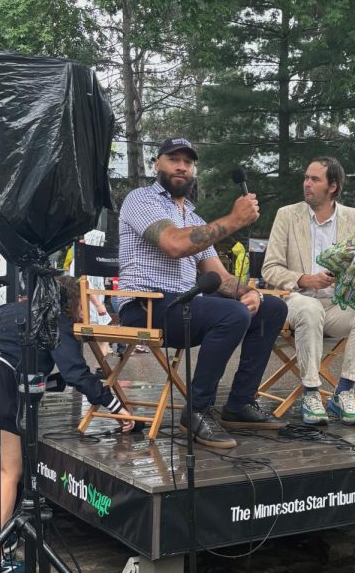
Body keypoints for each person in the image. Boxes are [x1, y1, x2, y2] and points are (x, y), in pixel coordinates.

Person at [0, 276, 133, 573]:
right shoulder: (52, 319)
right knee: (8, 472)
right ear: (70, 301)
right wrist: (116, 406)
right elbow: (74, 373)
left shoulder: (10, 308)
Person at [117, 137, 288, 451]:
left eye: (188, 161)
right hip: (145, 306)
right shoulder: (140, 200)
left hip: (183, 306)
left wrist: (249, 294)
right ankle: (195, 410)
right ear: (156, 164)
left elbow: (220, 278)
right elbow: (174, 244)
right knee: (231, 314)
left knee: (272, 307)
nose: (181, 166)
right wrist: (234, 220)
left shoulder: (194, 219)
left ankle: (239, 404)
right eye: (173, 159)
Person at [263, 157, 355, 425]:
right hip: (297, 300)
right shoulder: (287, 215)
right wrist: (305, 278)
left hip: (338, 304)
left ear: (333, 186)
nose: (306, 183)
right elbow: (270, 268)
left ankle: (344, 392)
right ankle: (311, 392)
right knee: (310, 307)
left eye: (314, 179)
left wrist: (353, 276)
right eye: (306, 177)